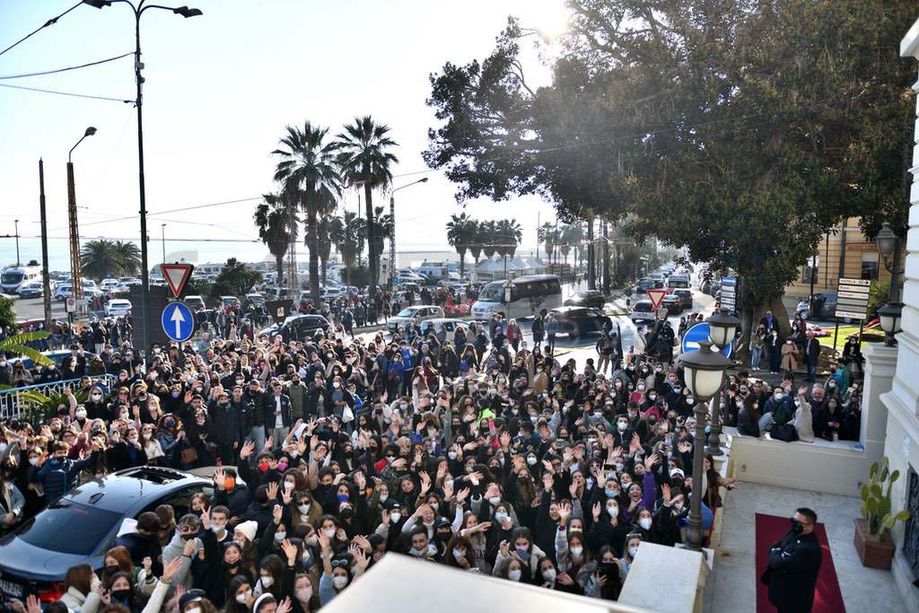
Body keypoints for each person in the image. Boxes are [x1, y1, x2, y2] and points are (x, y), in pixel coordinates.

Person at [763, 508, 823, 613]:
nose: (794, 525)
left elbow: (778, 563)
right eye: (793, 521)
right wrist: (776, 552)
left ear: (810, 525)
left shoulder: (808, 549)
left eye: (798, 522)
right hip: (782, 593)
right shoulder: (795, 532)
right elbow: (777, 544)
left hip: (794, 601)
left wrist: (774, 553)